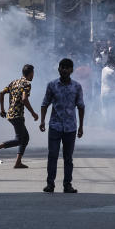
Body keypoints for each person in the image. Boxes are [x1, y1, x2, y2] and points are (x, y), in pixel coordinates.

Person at [39, 58, 86, 193]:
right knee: (52, 155)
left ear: (71, 70)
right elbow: (45, 103)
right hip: (55, 126)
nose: (64, 70)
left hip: (70, 127)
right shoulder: (52, 85)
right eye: (62, 67)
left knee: (68, 158)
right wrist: (42, 121)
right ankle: (50, 184)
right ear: (58, 69)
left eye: (67, 67)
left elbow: (81, 106)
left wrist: (81, 126)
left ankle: (67, 184)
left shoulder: (77, 87)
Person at [0, 64, 38, 169]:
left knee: (25, 138)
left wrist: (2, 109)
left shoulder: (14, 82)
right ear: (30, 73)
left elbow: (1, 93)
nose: (33, 75)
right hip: (17, 115)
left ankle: (18, 162)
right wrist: (33, 113)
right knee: (20, 139)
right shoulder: (26, 84)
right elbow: (24, 99)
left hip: (10, 114)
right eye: (33, 73)